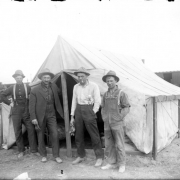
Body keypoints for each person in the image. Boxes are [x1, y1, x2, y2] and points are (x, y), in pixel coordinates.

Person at [70, 67, 104, 167]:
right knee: (78, 135)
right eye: (79, 76)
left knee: (94, 135)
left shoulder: (94, 86)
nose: (80, 78)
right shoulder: (76, 87)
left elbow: (98, 101)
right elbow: (74, 101)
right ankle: (81, 155)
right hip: (79, 110)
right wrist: (72, 116)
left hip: (89, 109)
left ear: (87, 76)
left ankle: (99, 157)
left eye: (82, 76)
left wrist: (93, 112)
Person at [29, 68, 64, 163]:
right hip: (40, 115)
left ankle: (56, 155)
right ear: (41, 78)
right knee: (40, 135)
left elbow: (60, 93)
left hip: (51, 114)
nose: (46, 79)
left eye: (48, 77)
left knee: (55, 134)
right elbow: (31, 105)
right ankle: (43, 155)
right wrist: (33, 118)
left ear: (50, 78)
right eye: (44, 77)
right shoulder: (34, 90)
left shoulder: (54, 86)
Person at [1, 70, 38, 158]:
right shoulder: (11, 88)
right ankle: (21, 150)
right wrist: (9, 103)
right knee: (17, 131)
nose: (19, 79)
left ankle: (33, 150)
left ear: (22, 78)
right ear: (15, 79)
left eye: (20, 78)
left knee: (31, 130)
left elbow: (34, 95)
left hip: (26, 111)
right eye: (17, 78)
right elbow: (2, 95)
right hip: (16, 112)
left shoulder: (27, 87)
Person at [101, 70, 130, 173]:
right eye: (107, 81)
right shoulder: (105, 94)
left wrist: (119, 117)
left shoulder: (121, 93)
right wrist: (104, 118)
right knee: (109, 144)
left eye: (111, 81)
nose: (109, 83)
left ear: (116, 81)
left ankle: (122, 164)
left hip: (117, 123)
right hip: (107, 124)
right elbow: (103, 107)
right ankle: (111, 163)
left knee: (119, 144)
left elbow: (127, 107)